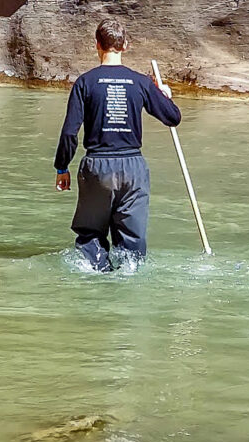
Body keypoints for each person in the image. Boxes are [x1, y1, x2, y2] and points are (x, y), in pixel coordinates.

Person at [53, 16, 182, 269]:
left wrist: (62, 167)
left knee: (90, 236)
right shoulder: (141, 82)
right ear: (125, 46)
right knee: (132, 246)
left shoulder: (85, 82)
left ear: (97, 45)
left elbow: (70, 132)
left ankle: (98, 282)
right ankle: (127, 288)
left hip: (97, 167)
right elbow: (172, 117)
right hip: (134, 168)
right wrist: (164, 95)